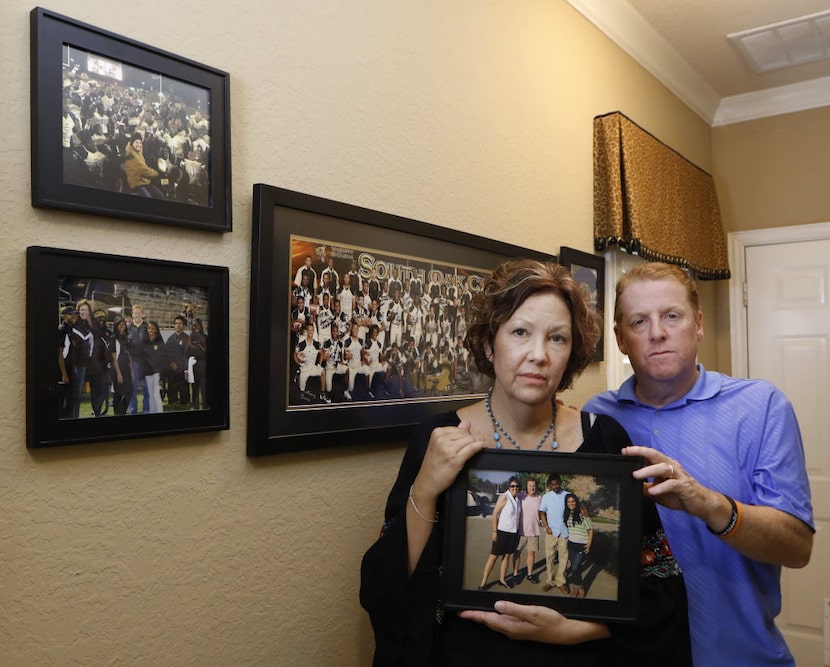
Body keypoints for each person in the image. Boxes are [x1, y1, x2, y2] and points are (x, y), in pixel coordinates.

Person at [360, 258, 691, 666]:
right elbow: (387, 588)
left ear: (571, 354)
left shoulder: (605, 439)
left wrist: (573, 631)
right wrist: (425, 489)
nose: (539, 355)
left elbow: (659, 591)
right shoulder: (439, 437)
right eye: (520, 332)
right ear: (488, 344)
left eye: (557, 338)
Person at [583, 261, 814, 667]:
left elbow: (796, 548)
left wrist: (707, 503)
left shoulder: (760, 407)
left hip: (742, 656)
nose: (657, 332)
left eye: (672, 316)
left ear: (699, 323)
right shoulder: (597, 420)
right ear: (620, 339)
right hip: (632, 654)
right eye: (639, 321)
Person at [478, 477, 521, 590]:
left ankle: (502, 579)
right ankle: (483, 583)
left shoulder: (517, 499)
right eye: (512, 486)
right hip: (501, 532)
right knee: (493, 557)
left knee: (506, 556)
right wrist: (494, 531)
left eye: (517, 486)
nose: (515, 488)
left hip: (513, 533)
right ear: (509, 487)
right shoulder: (504, 497)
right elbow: (495, 513)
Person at [539, 474, 570, 594]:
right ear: (550, 485)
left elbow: (573, 509)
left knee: (563, 558)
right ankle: (550, 581)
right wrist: (546, 527)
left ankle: (561, 582)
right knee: (550, 557)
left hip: (564, 532)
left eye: (557, 484)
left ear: (560, 483)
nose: (555, 486)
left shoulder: (567, 495)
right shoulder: (546, 497)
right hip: (551, 532)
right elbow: (542, 512)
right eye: (553, 485)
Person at [512, 477, 542, 585]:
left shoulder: (540, 497)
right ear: (527, 486)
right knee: (517, 553)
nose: (532, 488)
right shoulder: (520, 496)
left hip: (534, 531)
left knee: (531, 554)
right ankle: (515, 574)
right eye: (530, 485)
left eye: (534, 485)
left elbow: (543, 513)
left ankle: (529, 574)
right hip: (521, 531)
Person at [563, 493, 593, 598]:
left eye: (573, 501)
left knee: (575, 568)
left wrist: (589, 544)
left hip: (582, 545)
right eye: (569, 502)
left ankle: (580, 588)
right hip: (571, 544)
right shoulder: (567, 514)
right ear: (566, 503)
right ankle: (576, 589)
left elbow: (590, 530)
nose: (571, 503)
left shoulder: (582, 513)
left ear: (576, 502)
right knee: (576, 569)